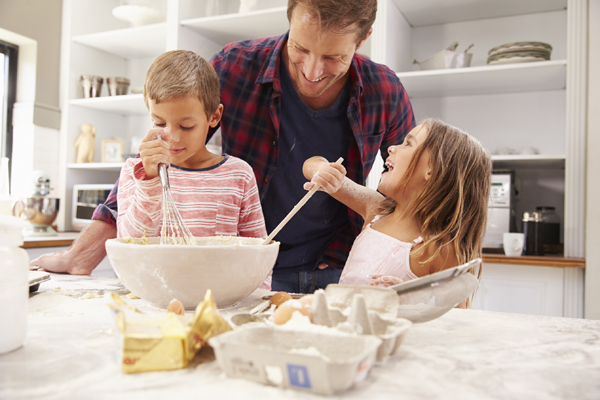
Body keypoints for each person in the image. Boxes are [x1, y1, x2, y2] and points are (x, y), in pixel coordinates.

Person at [32, 0, 415, 293]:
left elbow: (409, 196)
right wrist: (82, 255)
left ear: (363, 39)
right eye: (300, 48)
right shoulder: (234, 67)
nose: (313, 72)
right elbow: (158, 154)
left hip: (332, 271)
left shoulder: (384, 92)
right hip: (235, 272)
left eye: (334, 57)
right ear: (290, 15)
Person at [302, 118, 492, 291]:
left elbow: (456, 318)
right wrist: (322, 170)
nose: (392, 147)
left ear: (432, 170)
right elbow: (310, 165)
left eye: (408, 143)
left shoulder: (438, 249)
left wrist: (410, 300)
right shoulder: (376, 209)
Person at [117, 50, 266, 242]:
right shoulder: (136, 172)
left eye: (186, 126)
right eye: (160, 124)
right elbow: (128, 246)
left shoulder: (239, 175)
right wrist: (149, 183)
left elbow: (258, 253)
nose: (172, 138)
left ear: (214, 117)